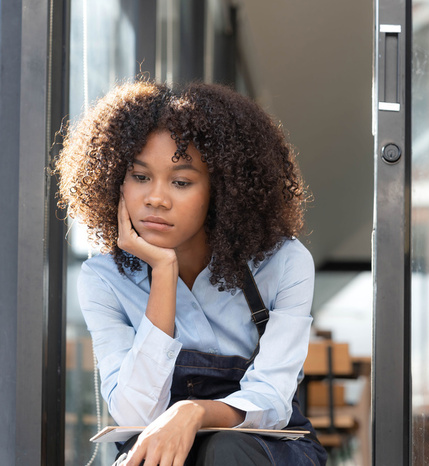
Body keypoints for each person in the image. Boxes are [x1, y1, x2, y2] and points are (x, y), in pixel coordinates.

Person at [54, 80, 327, 466]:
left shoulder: (282, 263)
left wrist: (193, 412)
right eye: (140, 176)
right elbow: (134, 415)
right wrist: (164, 271)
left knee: (223, 449)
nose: (156, 198)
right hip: (160, 453)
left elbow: (272, 399)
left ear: (223, 190)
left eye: (181, 182)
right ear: (115, 181)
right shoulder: (104, 278)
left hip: (262, 451)